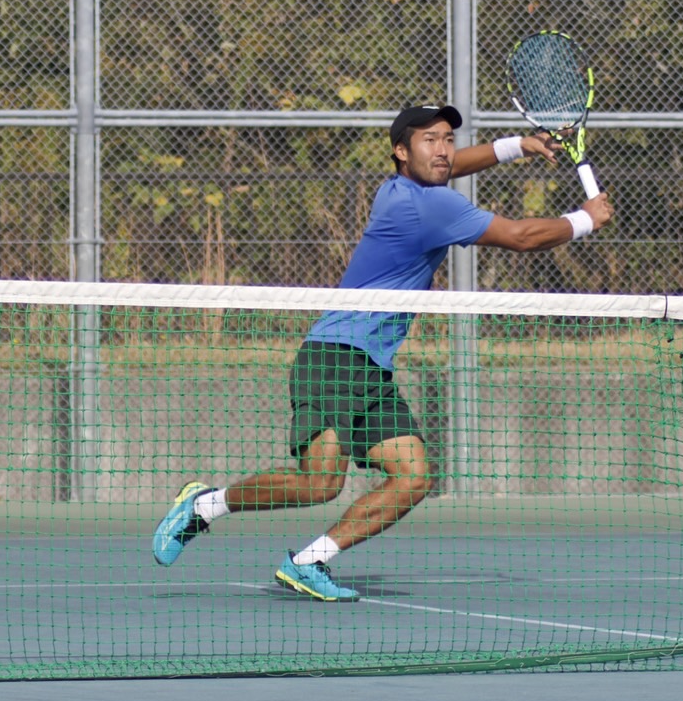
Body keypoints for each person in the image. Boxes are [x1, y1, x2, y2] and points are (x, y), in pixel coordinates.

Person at [152, 104, 613, 601]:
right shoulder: (429, 207)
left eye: (447, 140)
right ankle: (204, 506)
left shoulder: (399, 188)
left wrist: (518, 146)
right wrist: (583, 220)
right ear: (400, 151)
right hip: (332, 355)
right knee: (319, 484)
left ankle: (311, 561)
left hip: (372, 365)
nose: (442, 151)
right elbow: (521, 237)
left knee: (413, 478)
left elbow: (447, 167)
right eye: (429, 141)